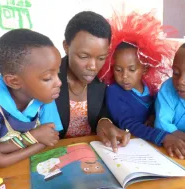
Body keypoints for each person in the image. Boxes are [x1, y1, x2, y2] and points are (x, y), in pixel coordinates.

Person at [99, 11, 185, 159]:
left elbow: (157, 112)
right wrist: (164, 137)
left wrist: (153, 116)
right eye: (118, 69)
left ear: (145, 69)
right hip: (126, 148)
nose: (124, 76)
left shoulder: (151, 89)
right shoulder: (114, 92)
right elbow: (129, 123)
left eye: (131, 69)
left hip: (149, 146)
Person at [0, 29, 62, 168]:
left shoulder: (45, 97)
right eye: (47, 78)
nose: (58, 82)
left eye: (58, 73)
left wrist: (4, 159)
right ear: (14, 81)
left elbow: (51, 137)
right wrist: (33, 137)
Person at [55, 11, 130, 152]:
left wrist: (104, 122)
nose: (93, 67)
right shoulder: (47, 78)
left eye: (101, 58)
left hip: (97, 151)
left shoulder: (105, 77)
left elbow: (103, 109)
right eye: (83, 56)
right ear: (66, 47)